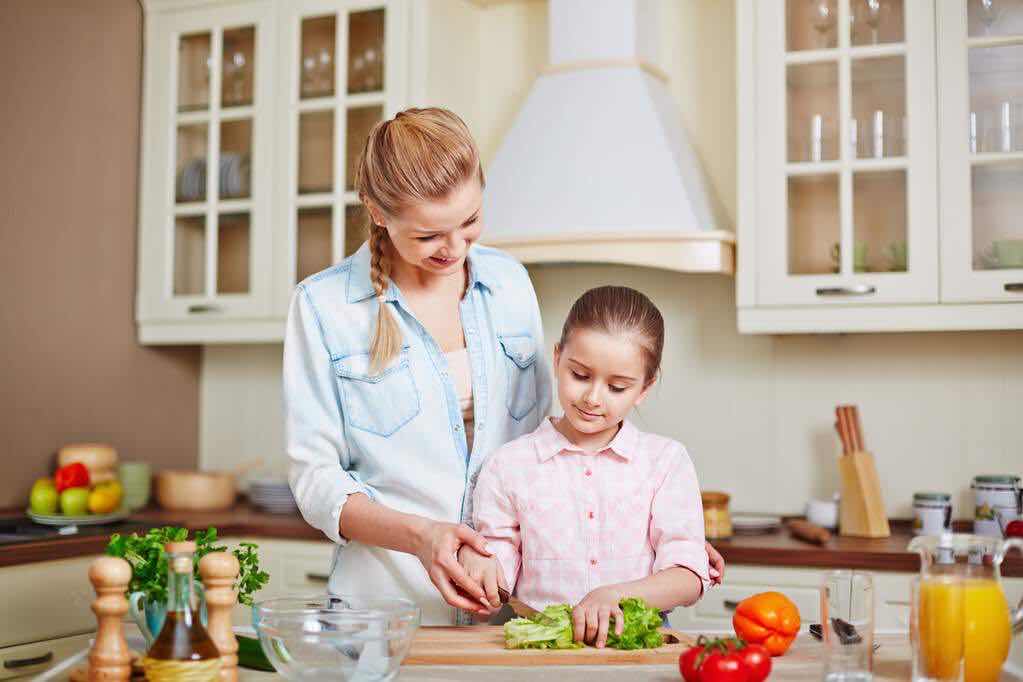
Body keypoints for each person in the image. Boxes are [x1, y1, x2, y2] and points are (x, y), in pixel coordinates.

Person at [284, 107, 723, 626]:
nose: (454, 249)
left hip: (510, 618)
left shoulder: (508, 283)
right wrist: (423, 538)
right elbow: (316, 481)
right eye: (428, 236)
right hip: (387, 608)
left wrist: (647, 546)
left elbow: (550, 440)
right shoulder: (324, 307)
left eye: (469, 222)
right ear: (378, 212)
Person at [461, 286, 712, 646]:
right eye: (579, 375)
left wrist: (615, 596)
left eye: (617, 387)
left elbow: (688, 576)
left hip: (638, 649)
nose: (593, 398)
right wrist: (478, 575)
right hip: (541, 651)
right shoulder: (508, 466)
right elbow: (494, 576)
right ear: (558, 357)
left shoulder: (665, 462)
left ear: (644, 387)